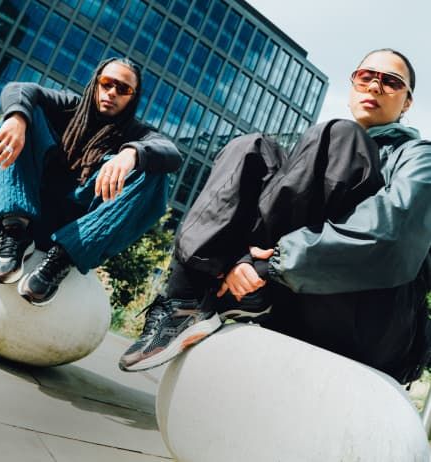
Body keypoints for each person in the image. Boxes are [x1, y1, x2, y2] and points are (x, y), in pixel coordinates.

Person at [120, 48, 431, 385]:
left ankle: (255, 283)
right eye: (365, 77)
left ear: (407, 102)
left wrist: (268, 266)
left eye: (390, 82)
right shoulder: (322, 154)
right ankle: (183, 301)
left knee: (339, 135)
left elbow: (392, 236)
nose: (374, 86)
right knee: (251, 149)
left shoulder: (419, 157)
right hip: (303, 293)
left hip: (377, 321)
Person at [0, 57, 182, 306]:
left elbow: (172, 154)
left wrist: (132, 153)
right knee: (20, 114)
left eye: (123, 89)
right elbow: (19, 89)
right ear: (96, 83)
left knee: (153, 172)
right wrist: (17, 119)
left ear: (133, 97)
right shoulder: (68, 107)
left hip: (76, 235)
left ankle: (59, 262)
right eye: (107, 83)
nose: (112, 92)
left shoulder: (136, 133)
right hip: (31, 211)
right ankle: (14, 233)